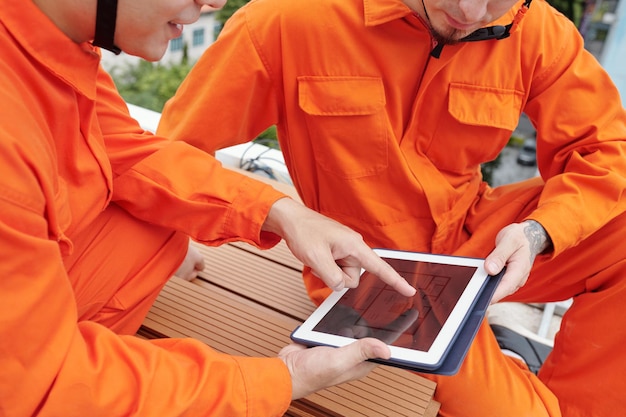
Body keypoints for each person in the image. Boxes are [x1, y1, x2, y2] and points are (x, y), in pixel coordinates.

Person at [158, 0, 626, 414]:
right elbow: (174, 153)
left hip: (480, 239)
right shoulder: (287, 19)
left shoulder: (538, 30)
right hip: (373, 275)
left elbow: (607, 149)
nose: (469, 11)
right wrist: (181, 236)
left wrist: (538, 232)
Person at [0, 0, 421, 415]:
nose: (214, 2)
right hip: (26, 382)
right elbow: (38, 383)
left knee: (161, 217)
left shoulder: (49, 41)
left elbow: (124, 149)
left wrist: (282, 211)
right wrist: (283, 379)